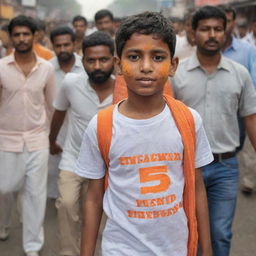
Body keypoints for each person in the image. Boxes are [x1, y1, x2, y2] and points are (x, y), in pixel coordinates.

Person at [75, 12, 213, 256]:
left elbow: (197, 188)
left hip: (175, 248)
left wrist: (207, 249)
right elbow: (93, 198)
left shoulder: (189, 121)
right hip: (121, 249)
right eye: (134, 57)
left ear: (173, 65)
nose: (146, 67)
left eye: (158, 57)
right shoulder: (102, 126)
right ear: (118, 65)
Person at [171, 6, 256, 256]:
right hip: (185, 166)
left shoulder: (240, 74)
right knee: (188, 231)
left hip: (225, 167)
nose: (212, 34)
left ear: (226, 31)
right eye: (205, 29)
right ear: (193, 33)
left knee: (220, 233)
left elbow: (251, 118)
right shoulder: (177, 74)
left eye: (217, 29)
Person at [49, 31, 115, 256]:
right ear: (82, 60)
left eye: (103, 60)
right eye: (91, 60)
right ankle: (69, 252)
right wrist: (52, 141)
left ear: (114, 60)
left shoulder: (124, 90)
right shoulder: (70, 83)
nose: (97, 66)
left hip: (107, 166)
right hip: (73, 158)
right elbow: (58, 113)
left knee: (98, 215)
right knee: (67, 205)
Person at [0, 15, 56, 256]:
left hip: (37, 139)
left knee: (35, 194)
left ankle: (32, 246)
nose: (21, 39)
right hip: (5, 138)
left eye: (26, 34)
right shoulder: (1, 67)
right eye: (17, 34)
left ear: (35, 37)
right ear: (11, 38)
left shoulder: (46, 68)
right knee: (4, 189)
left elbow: (51, 106)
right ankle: (4, 223)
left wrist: (49, 136)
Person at [220, 5, 256, 195]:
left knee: (249, 145)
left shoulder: (247, 50)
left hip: (245, 108)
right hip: (220, 112)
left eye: (227, 20)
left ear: (233, 22)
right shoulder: (206, 50)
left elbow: (254, 79)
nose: (224, 25)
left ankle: (249, 180)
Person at [47, 26, 84, 199]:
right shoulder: (46, 70)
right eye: (58, 46)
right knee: (54, 181)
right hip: (54, 134)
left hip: (81, 136)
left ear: (75, 44)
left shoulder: (87, 67)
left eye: (66, 45)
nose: (62, 49)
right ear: (52, 46)